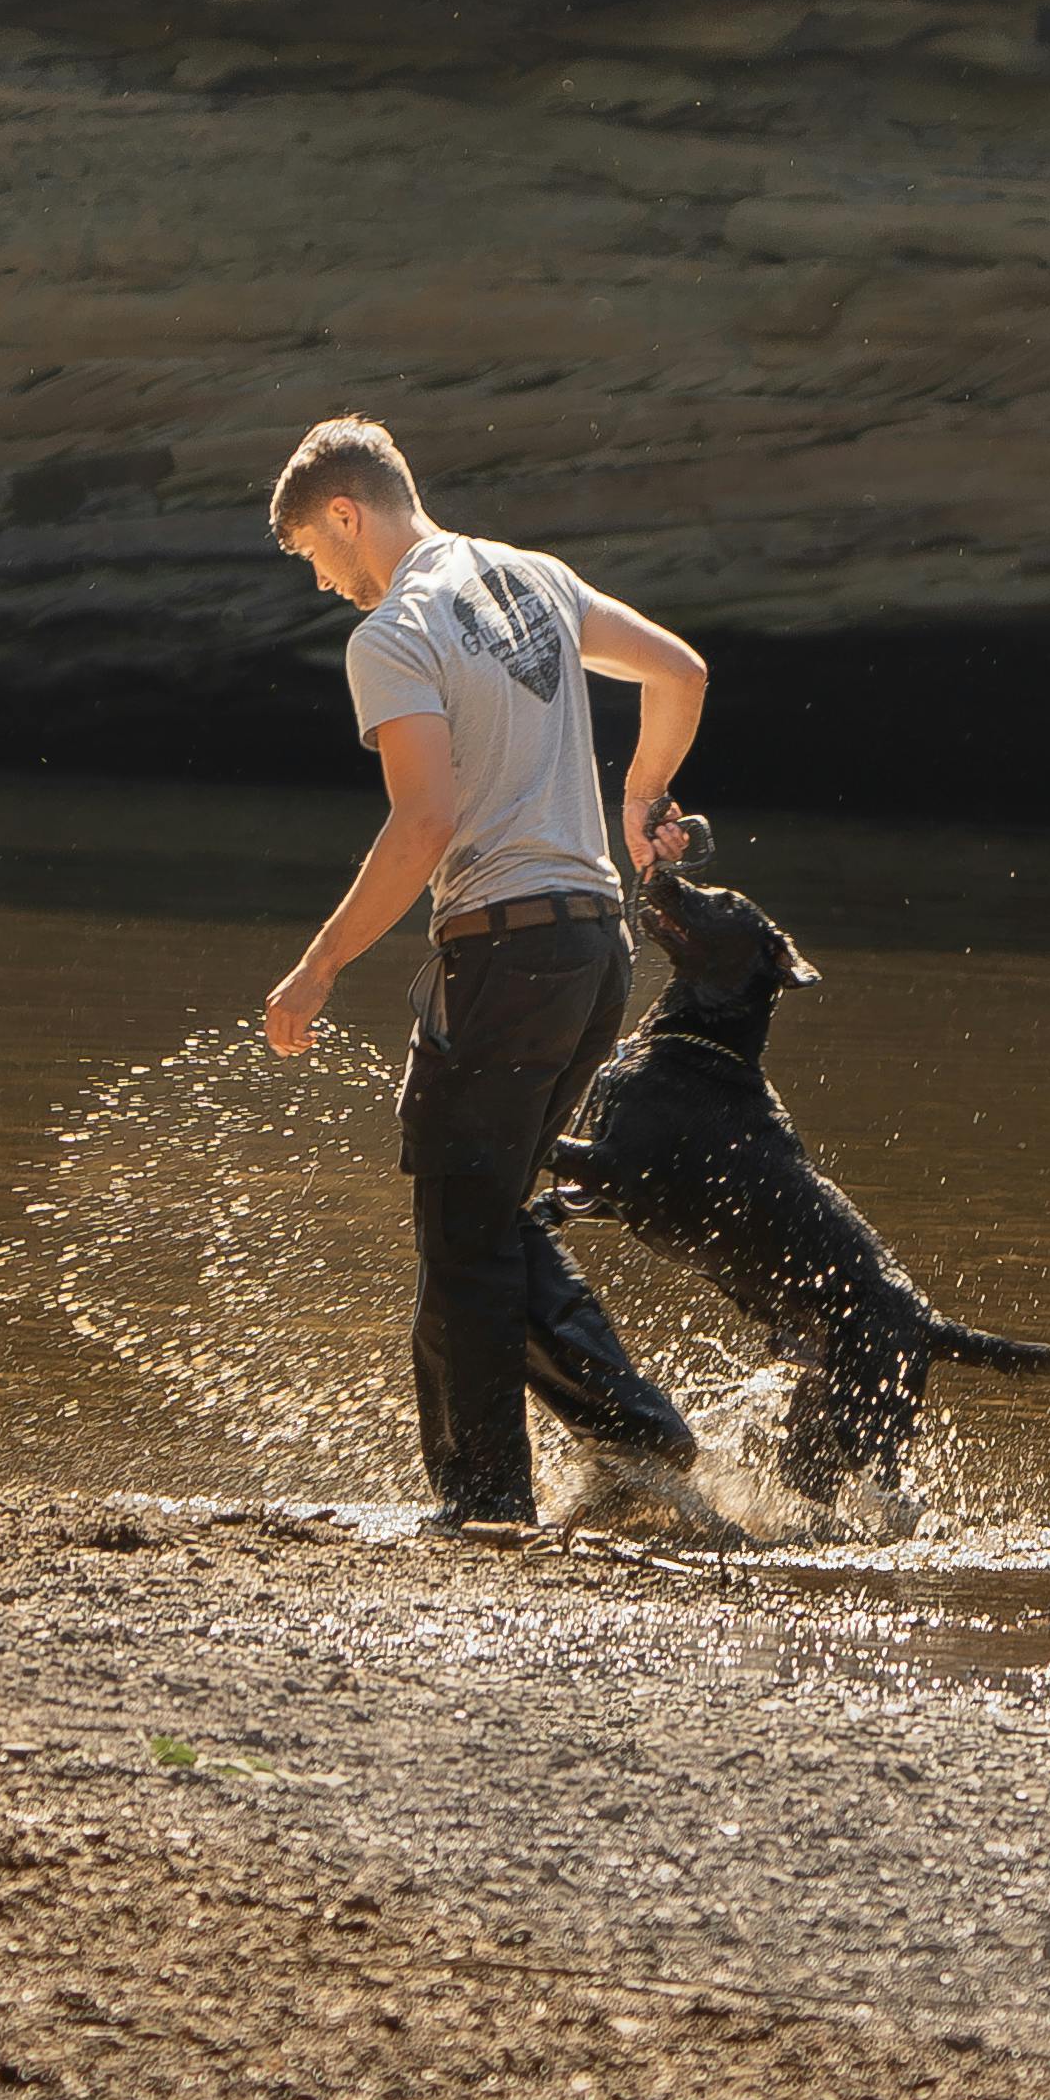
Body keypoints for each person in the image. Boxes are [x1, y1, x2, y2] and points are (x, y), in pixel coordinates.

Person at [256, 414, 721, 1536]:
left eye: (314, 557)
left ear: (344, 513)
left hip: (505, 953)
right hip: (595, 952)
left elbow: (422, 823)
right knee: (488, 1213)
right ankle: (637, 1432)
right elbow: (679, 668)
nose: (323, 583)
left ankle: (484, 1509)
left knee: (462, 1242)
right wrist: (639, 794)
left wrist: (317, 967)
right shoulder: (536, 577)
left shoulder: (395, 629)